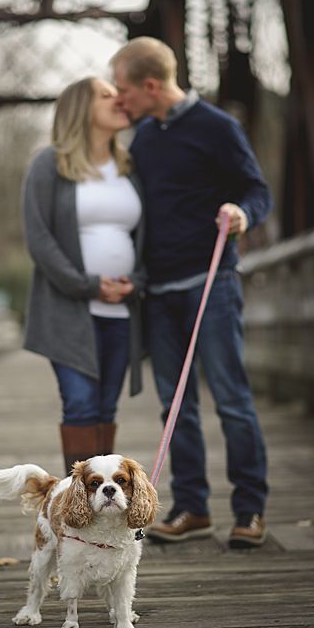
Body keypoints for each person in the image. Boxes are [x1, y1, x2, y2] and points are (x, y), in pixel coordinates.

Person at [110, 37, 272, 549]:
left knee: (231, 399)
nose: (120, 101)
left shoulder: (218, 128)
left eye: (124, 90)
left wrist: (243, 213)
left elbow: (257, 189)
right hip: (159, 292)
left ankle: (249, 510)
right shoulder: (141, 140)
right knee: (173, 406)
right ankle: (192, 508)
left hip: (212, 284)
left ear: (151, 86)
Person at [22, 76, 146, 475]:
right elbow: (38, 237)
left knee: (106, 408)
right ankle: (76, 510)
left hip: (121, 311)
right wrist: (87, 285)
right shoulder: (50, 163)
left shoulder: (130, 166)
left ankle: (101, 508)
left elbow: (149, 235)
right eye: (107, 95)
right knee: (80, 403)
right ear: (82, 109)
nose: (120, 100)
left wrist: (136, 281)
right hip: (67, 309)